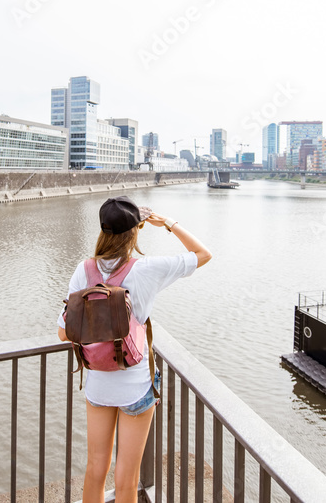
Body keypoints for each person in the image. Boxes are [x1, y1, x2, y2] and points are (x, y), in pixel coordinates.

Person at [57, 196, 212, 503]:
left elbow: (64, 332)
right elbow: (203, 254)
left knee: (95, 469)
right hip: (136, 386)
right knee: (127, 480)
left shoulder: (84, 270)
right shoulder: (145, 269)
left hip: (98, 384)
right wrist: (168, 223)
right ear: (135, 231)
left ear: (103, 230)